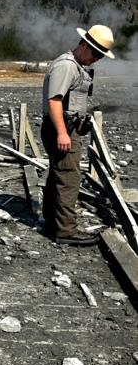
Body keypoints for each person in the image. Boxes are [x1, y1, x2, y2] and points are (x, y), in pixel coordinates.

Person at [41, 24, 115, 246]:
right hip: (60, 128)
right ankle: (65, 231)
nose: (96, 59)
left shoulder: (77, 66)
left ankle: (53, 223)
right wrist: (63, 132)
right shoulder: (67, 66)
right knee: (69, 178)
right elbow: (54, 101)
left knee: (59, 175)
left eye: (100, 56)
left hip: (67, 127)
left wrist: (77, 126)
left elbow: (69, 103)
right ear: (84, 45)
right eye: (95, 53)